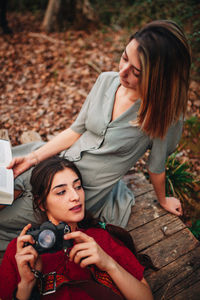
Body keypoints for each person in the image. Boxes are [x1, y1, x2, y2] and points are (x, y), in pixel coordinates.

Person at [0, 19, 191, 250]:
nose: (123, 72)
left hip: (79, 190)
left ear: (158, 79)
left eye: (136, 72)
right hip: (57, 162)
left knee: (7, 221)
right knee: (8, 180)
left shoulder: (163, 116)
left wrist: (163, 199)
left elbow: (157, 166)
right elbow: (76, 130)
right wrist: (33, 159)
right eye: (124, 58)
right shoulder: (106, 81)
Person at [0, 156, 154, 300]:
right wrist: (26, 285)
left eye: (78, 186)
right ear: (41, 203)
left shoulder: (100, 238)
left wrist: (109, 264)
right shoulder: (21, 251)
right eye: (61, 192)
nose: (75, 196)